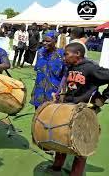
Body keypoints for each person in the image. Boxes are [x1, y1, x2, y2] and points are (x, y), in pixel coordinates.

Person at [47, 42, 109, 176]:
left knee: (81, 144)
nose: (64, 57)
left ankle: (76, 173)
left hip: (85, 111)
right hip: (69, 109)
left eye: (66, 54)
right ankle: (57, 166)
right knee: (62, 138)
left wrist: (103, 98)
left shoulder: (91, 68)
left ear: (78, 54)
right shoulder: (71, 67)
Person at [30, 31, 66, 110]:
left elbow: (65, 74)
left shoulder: (62, 54)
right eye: (44, 41)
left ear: (55, 41)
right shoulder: (40, 52)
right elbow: (38, 69)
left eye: (48, 41)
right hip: (39, 90)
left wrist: (62, 92)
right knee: (38, 114)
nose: (45, 43)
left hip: (54, 92)